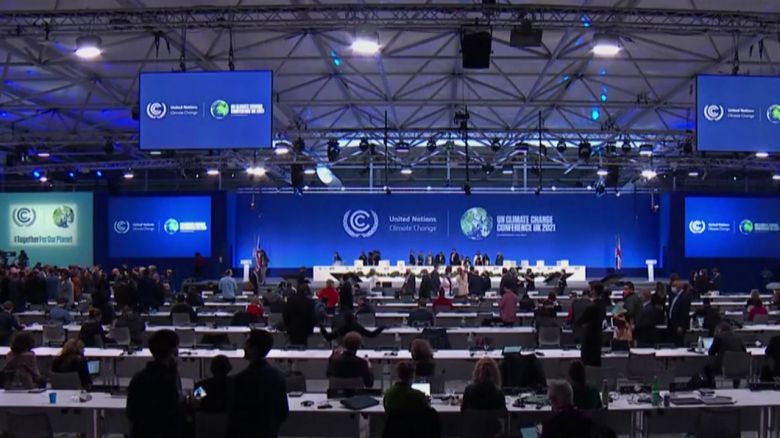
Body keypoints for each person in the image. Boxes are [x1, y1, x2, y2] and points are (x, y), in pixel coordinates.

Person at [228, 330, 289, 438]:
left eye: (247, 344)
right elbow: (283, 412)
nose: (244, 347)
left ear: (254, 349)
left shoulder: (241, 379)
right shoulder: (278, 376)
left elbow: (235, 415)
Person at [127, 330, 182, 438]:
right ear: (173, 352)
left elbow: (131, 413)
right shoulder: (168, 380)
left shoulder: (138, 377)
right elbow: (174, 412)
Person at [705, 322, 746, 387]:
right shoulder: (738, 337)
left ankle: (712, 387)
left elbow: (711, 352)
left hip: (724, 367)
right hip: (740, 367)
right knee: (734, 364)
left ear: (719, 329)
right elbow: (744, 352)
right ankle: (736, 386)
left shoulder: (719, 337)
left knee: (707, 368)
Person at [577, 283, 607, 366]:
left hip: (589, 337)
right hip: (598, 336)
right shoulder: (602, 304)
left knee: (587, 362)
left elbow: (580, 321)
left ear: (594, 291)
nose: (589, 290)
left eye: (590, 289)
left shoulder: (591, 306)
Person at [667, 281, 692, 347]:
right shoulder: (673, 296)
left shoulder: (685, 297)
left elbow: (684, 313)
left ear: (680, 287)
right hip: (672, 324)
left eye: (674, 286)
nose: (672, 287)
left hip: (679, 326)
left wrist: (680, 326)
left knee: (679, 343)